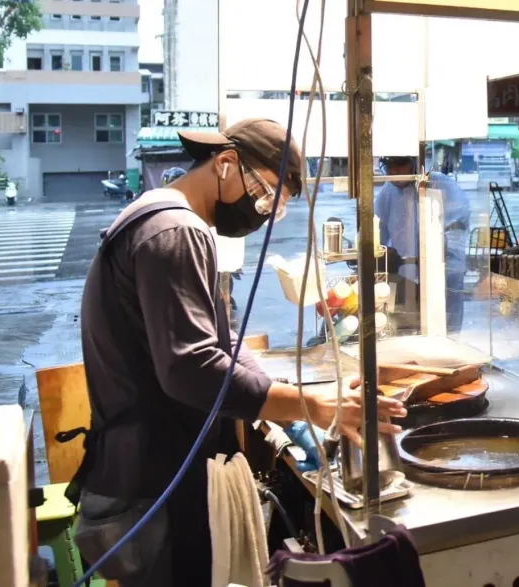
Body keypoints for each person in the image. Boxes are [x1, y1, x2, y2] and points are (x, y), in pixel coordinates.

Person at [71, 118, 406, 586]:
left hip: (148, 471)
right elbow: (192, 367)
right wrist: (309, 405)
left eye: (274, 208)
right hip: (153, 485)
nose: (261, 213)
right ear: (226, 163)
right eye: (264, 194)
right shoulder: (175, 231)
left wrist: (286, 402)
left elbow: (224, 338)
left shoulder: (161, 216)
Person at [374, 156, 470, 332]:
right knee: (409, 321)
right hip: (405, 270)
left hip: (443, 267)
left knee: (446, 318)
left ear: (413, 163)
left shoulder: (441, 185)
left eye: (399, 166)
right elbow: (378, 231)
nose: (394, 172)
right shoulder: (387, 193)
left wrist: (443, 254)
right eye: (389, 167)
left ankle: (451, 340)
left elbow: (457, 226)